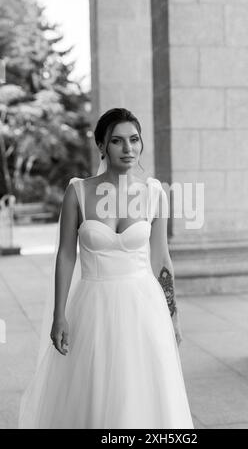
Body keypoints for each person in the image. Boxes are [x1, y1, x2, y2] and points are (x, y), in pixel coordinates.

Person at [18, 108, 194, 429]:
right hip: (93, 304)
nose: (128, 149)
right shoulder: (78, 192)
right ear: (101, 146)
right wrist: (60, 314)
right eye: (117, 141)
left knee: (143, 394)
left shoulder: (155, 193)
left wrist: (173, 316)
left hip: (144, 307)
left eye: (134, 140)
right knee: (94, 392)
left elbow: (161, 260)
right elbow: (66, 255)